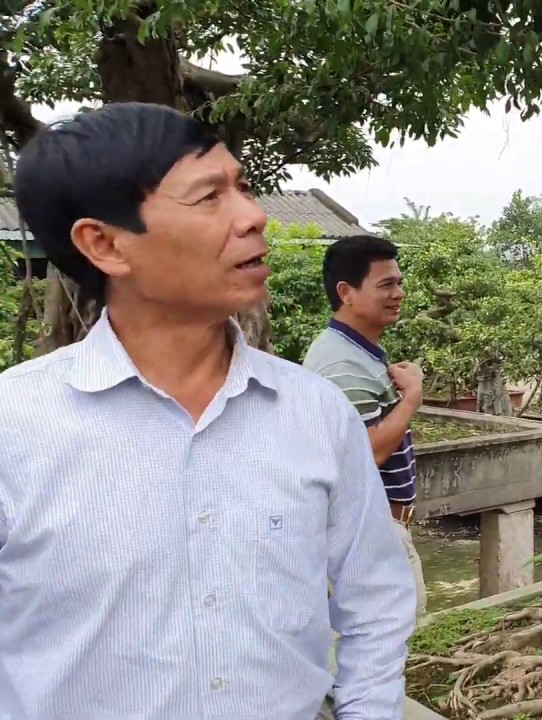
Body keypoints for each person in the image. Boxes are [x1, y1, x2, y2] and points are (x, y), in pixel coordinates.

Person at [0, 103, 416, 720]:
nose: (254, 216)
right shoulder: (15, 425)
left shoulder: (315, 414)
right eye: (209, 197)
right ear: (105, 243)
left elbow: (374, 602)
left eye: (243, 188)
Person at [301, 235, 427, 617]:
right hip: (367, 538)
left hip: (379, 531)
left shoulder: (356, 351)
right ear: (347, 292)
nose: (399, 293)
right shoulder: (341, 363)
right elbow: (368, 451)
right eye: (386, 284)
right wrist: (411, 399)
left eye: (399, 282)